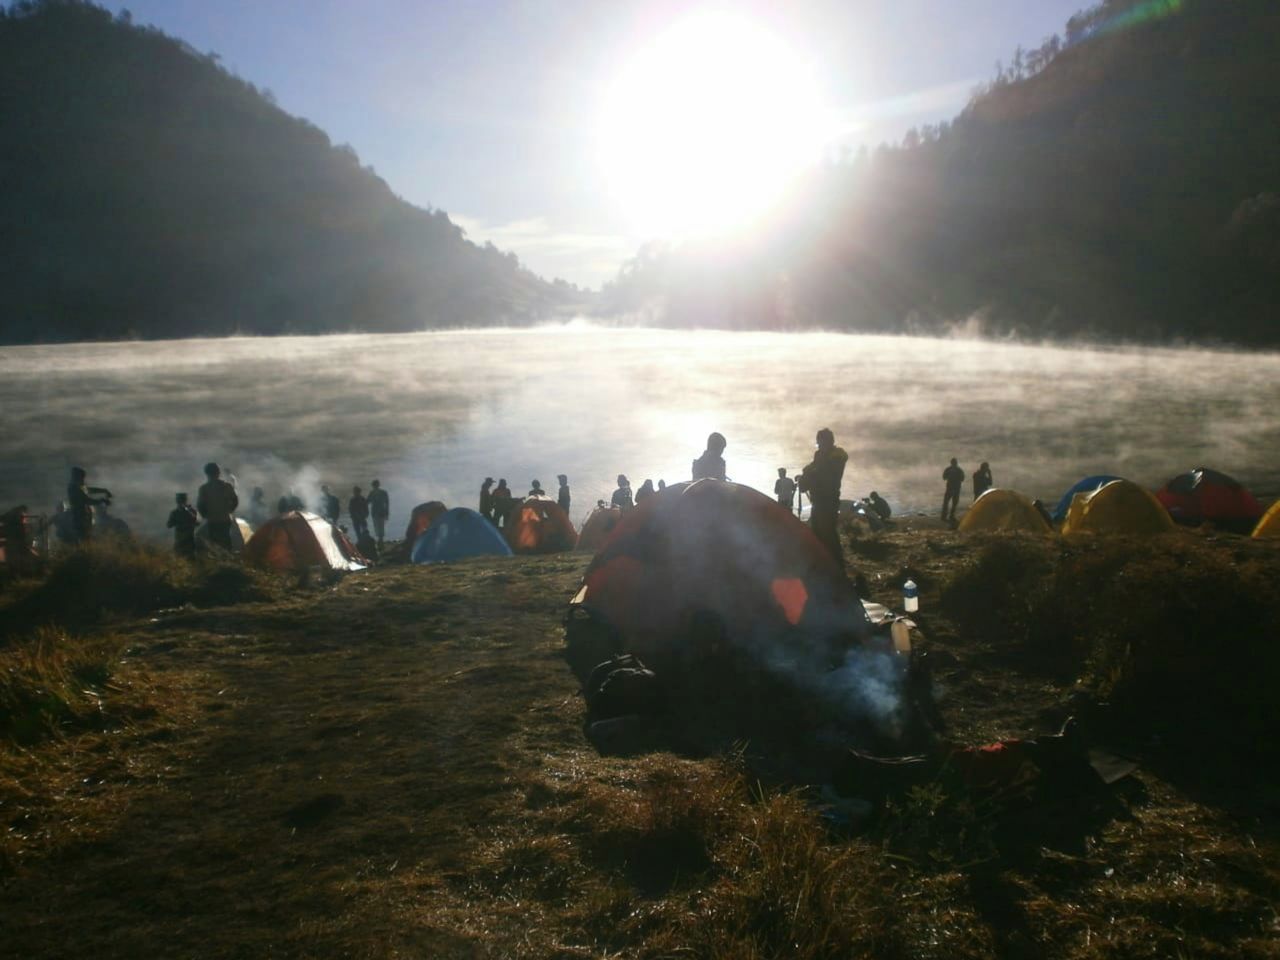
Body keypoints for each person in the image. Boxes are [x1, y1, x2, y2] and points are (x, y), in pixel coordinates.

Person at [797, 428, 848, 565]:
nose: (820, 446)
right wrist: (804, 477)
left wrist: (807, 477)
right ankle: (823, 561)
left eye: (821, 443)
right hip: (818, 500)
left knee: (828, 532)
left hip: (829, 500)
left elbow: (826, 475)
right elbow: (813, 469)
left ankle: (837, 562)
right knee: (817, 531)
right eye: (818, 443)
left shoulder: (837, 457)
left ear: (830, 442)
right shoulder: (819, 455)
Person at [196, 462, 239, 551]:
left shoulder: (204, 489)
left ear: (207, 473)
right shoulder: (227, 486)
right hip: (225, 518)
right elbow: (235, 500)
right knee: (226, 541)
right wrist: (230, 511)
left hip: (212, 520)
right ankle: (228, 561)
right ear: (218, 473)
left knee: (214, 543)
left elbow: (200, 505)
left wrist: (206, 516)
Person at [66, 466, 111, 545]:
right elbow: (86, 500)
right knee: (83, 539)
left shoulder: (78, 486)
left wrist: (103, 490)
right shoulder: (74, 488)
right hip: (79, 517)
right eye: (82, 478)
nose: (83, 480)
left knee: (87, 538)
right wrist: (101, 501)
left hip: (84, 517)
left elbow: (88, 490)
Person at [166, 493, 198, 557]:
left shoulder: (175, 512)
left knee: (180, 558)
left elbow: (169, 525)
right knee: (190, 558)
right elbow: (198, 522)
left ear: (177, 501)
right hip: (189, 540)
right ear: (186, 500)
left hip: (180, 540)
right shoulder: (191, 511)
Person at [942, 458, 965, 522]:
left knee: (947, 502)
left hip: (951, 488)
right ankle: (951, 516)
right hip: (956, 488)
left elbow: (944, 477)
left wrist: (950, 476)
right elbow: (962, 479)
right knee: (953, 503)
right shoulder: (959, 470)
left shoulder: (949, 469)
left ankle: (945, 516)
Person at [368, 479, 390, 544]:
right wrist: (387, 512)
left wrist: (387, 512)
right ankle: (380, 539)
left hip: (378, 512)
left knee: (379, 525)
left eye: (374, 485)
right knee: (379, 525)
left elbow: (367, 501)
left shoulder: (373, 493)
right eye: (374, 485)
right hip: (378, 512)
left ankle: (380, 539)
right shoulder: (382, 492)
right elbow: (387, 503)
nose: (374, 486)